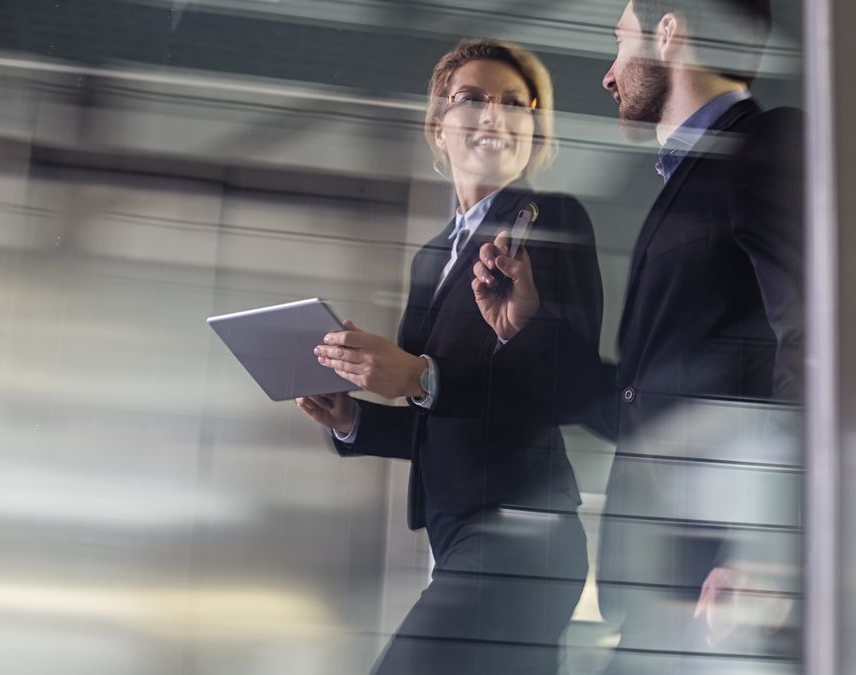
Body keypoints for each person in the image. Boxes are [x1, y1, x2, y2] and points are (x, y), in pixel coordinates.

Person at [471, 1, 803, 671]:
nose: (608, 73)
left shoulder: (763, 145)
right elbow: (639, 407)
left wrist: (768, 547)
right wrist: (531, 328)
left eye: (620, 41)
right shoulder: (697, 175)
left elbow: (817, 342)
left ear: (670, 32)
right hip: (667, 587)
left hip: (724, 591)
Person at [296, 39, 604, 675]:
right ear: (439, 127)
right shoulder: (432, 257)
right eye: (472, 99)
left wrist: (418, 375)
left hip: (523, 528)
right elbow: (446, 416)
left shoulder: (551, 221)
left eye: (514, 104)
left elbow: (562, 383)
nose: (494, 115)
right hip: (457, 530)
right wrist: (354, 419)